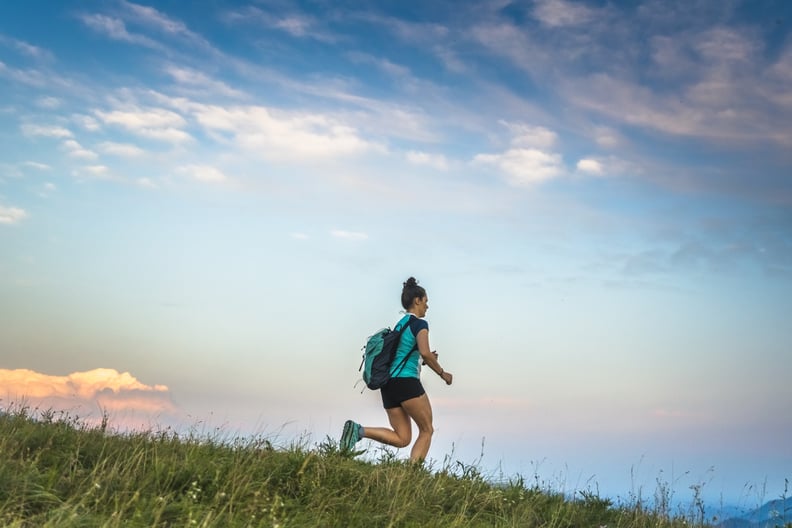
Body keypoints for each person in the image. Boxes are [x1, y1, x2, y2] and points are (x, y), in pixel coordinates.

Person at [341, 277, 453, 463]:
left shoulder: (400, 325)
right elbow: (424, 353)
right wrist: (443, 373)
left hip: (389, 386)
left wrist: (424, 358)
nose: (427, 306)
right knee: (427, 430)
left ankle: (358, 431)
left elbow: (405, 354)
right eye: (426, 302)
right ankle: (412, 476)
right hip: (407, 383)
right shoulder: (419, 324)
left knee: (403, 438)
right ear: (417, 300)